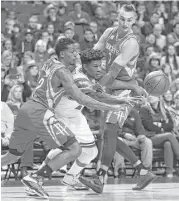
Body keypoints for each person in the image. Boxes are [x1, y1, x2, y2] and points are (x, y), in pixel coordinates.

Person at [1, 38, 123, 198]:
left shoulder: (49, 62)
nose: (75, 54)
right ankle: (36, 178)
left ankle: (42, 179)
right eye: (72, 51)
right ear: (63, 53)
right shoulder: (63, 72)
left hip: (27, 110)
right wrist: (113, 106)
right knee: (75, 149)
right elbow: (82, 98)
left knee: (13, 155)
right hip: (40, 111)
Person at [25, 48, 137, 196]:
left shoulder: (88, 73)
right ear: (85, 67)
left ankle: (70, 178)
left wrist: (124, 98)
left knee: (91, 151)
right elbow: (96, 99)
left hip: (75, 115)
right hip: (60, 115)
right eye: (96, 66)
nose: (99, 69)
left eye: (100, 65)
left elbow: (101, 91)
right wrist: (116, 104)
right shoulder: (80, 79)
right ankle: (36, 178)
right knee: (69, 149)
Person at [78, 4, 156, 194]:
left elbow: (113, 73)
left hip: (122, 90)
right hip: (111, 87)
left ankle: (100, 178)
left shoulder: (131, 43)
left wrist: (97, 85)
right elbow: (94, 53)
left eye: (129, 20)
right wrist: (81, 67)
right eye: (122, 18)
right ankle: (142, 170)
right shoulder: (109, 32)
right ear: (117, 17)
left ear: (134, 21)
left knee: (110, 131)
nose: (125, 23)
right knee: (108, 134)